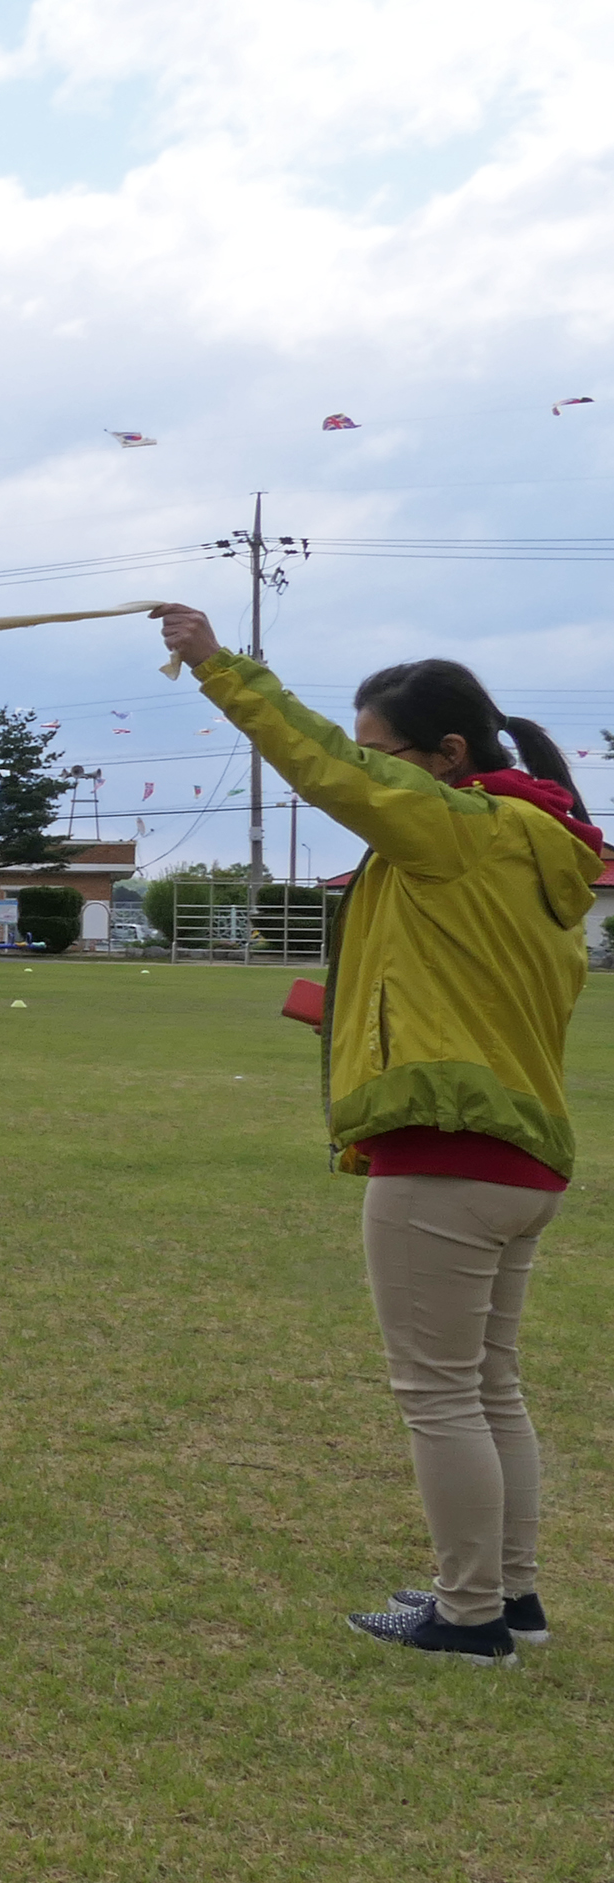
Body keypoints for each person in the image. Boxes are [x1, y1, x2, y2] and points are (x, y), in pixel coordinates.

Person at [161, 605, 601, 1664]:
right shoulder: (536, 847)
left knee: (441, 1393)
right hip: (520, 1152)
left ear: (448, 758)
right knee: (488, 1383)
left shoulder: (459, 830)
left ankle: (468, 1616)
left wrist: (221, 667)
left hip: (447, 1155)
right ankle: (511, 1596)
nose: (372, 782)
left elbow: (319, 765)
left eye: (386, 760)